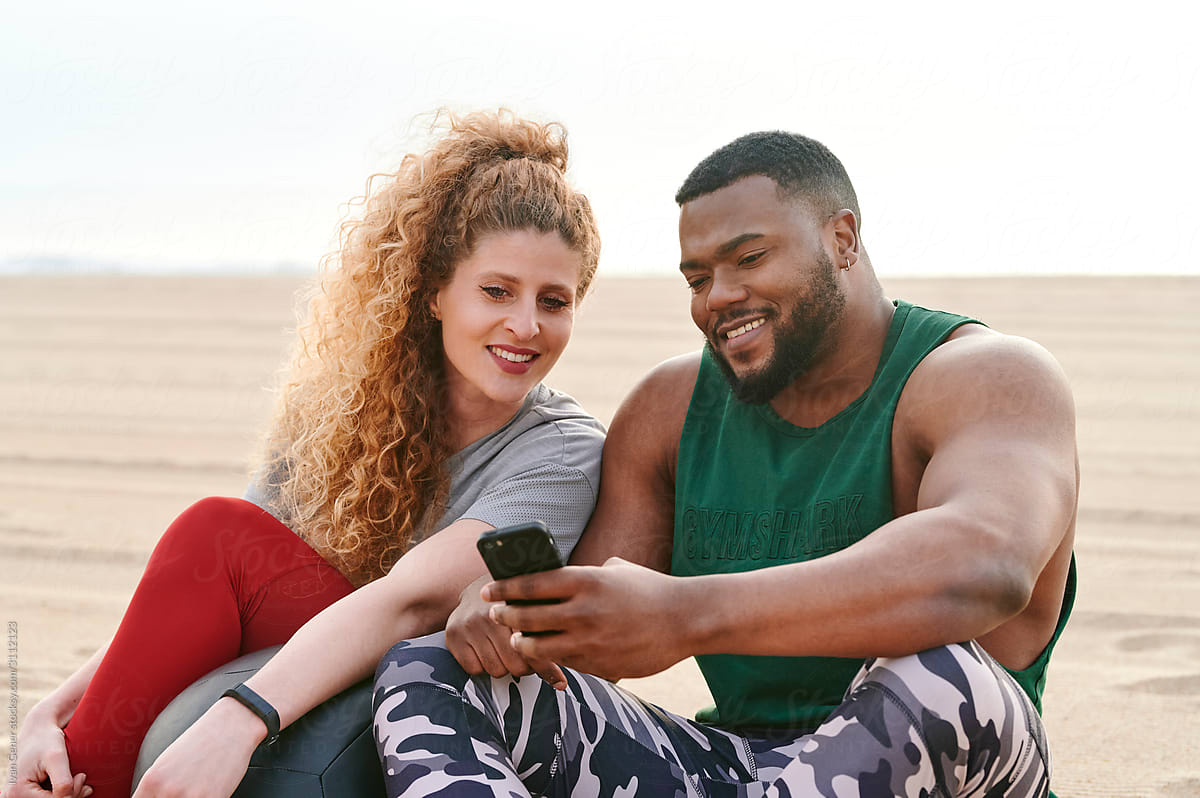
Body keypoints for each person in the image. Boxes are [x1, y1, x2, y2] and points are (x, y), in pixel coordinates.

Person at [370, 131, 1078, 797]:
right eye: (697, 277)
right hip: (735, 767)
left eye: (748, 259)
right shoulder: (669, 408)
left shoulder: (987, 377)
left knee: (946, 676)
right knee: (431, 667)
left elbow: (984, 565)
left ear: (842, 239)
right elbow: (586, 644)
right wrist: (507, 620)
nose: (718, 297)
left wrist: (686, 614)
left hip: (949, 761)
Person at [6, 110, 605, 798]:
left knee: (218, 534)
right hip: (322, 663)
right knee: (219, 536)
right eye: (497, 291)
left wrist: (238, 722)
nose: (525, 325)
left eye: (553, 301)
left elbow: (414, 605)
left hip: (439, 692)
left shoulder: (563, 452)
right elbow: (196, 596)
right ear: (435, 292)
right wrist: (55, 710)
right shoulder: (344, 413)